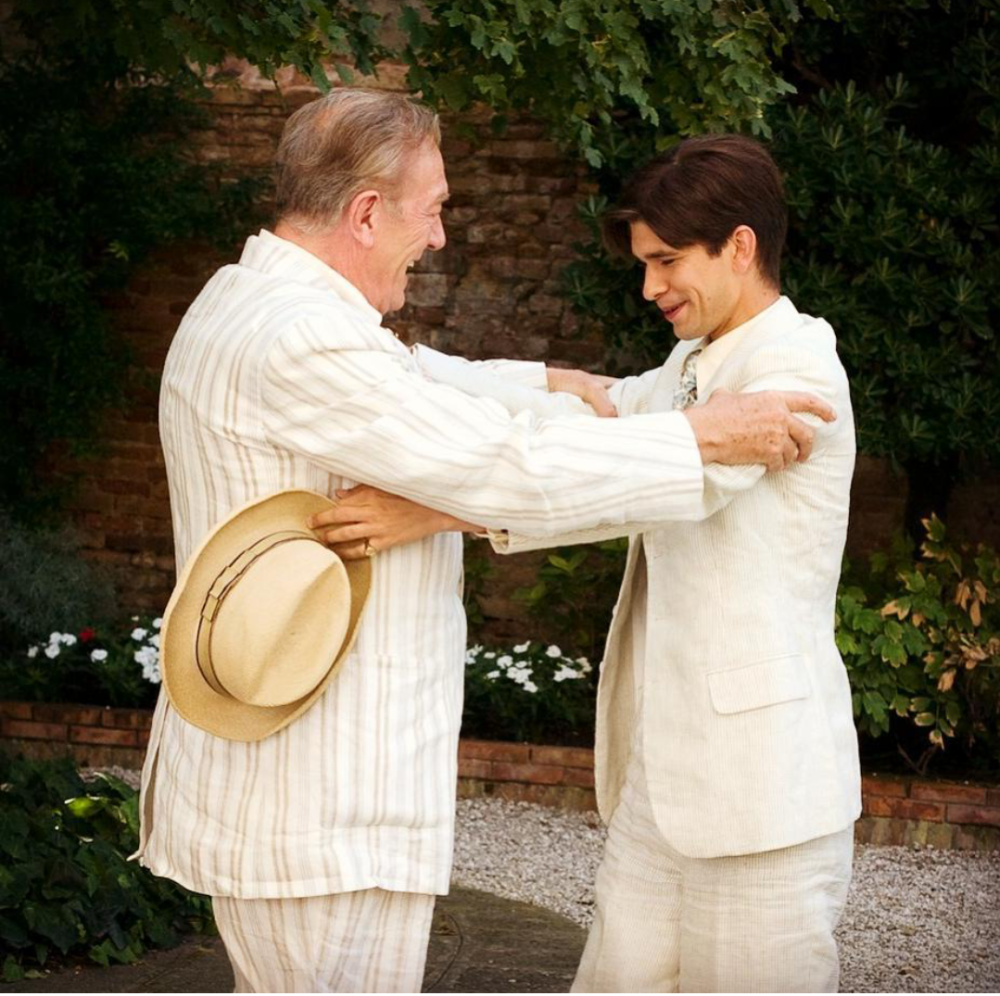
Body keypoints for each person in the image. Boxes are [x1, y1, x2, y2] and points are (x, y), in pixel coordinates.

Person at [135, 87, 835, 994]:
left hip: (321, 801)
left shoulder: (255, 302)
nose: (438, 237)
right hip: (319, 804)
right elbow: (504, 461)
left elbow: (424, 382)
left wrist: (538, 400)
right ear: (365, 213)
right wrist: (697, 435)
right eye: (431, 212)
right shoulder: (300, 337)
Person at [322, 134, 860, 992]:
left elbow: (644, 485)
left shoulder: (796, 366)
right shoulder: (697, 361)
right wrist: (399, 371)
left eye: (667, 261)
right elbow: (599, 413)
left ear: (742, 247)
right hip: (662, 782)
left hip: (763, 794)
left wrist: (426, 511)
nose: (649, 288)